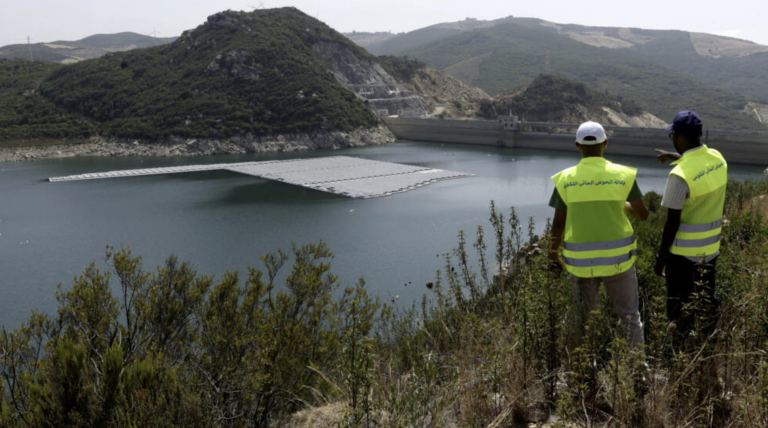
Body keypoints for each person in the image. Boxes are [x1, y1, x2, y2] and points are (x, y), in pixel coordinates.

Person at [549, 121, 649, 348]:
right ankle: (639, 373)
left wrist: (552, 256)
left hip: (582, 265)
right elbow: (643, 214)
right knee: (630, 317)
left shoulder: (565, 179)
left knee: (584, 322)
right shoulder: (623, 175)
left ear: (577, 146)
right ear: (605, 143)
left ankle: (586, 375)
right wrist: (623, 206)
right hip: (619, 262)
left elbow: (558, 224)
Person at [653, 110, 727, 345]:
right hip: (710, 248)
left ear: (679, 136)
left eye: (673, 135)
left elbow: (672, 221)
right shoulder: (717, 158)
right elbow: (698, 164)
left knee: (678, 305)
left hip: (682, 256)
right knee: (706, 298)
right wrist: (675, 155)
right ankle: (709, 341)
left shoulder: (678, 176)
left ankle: (680, 350)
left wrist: (661, 258)